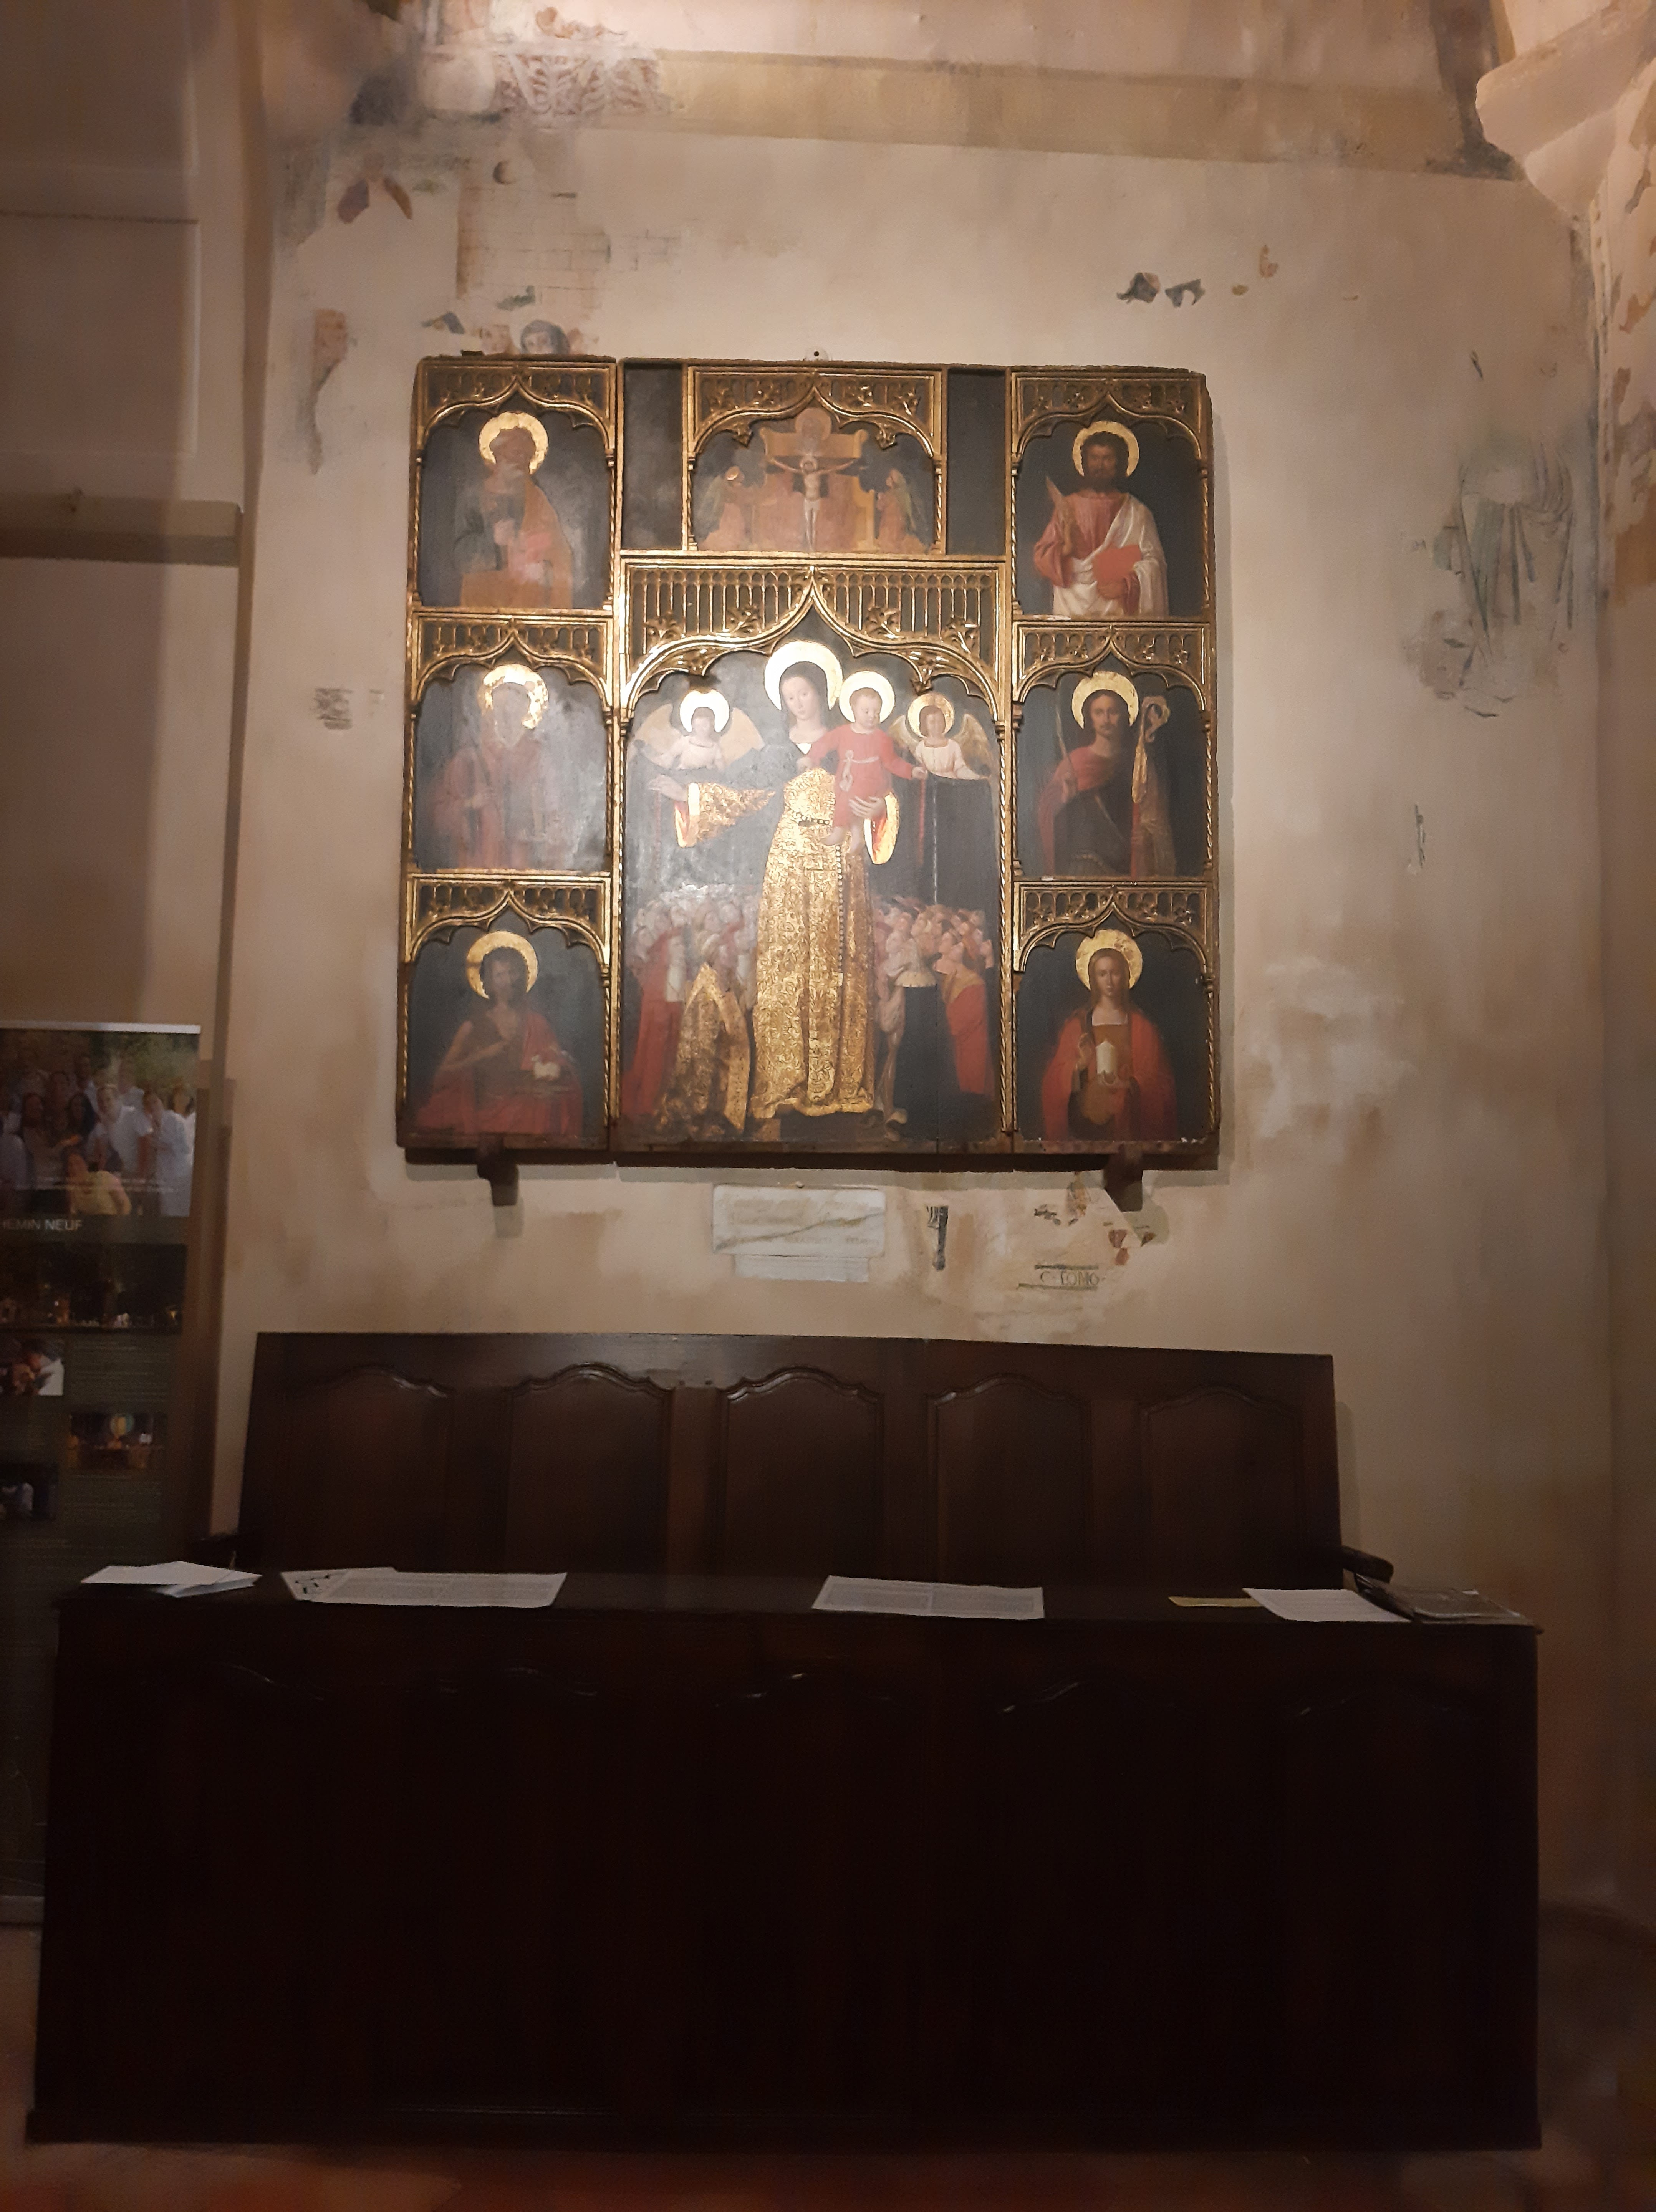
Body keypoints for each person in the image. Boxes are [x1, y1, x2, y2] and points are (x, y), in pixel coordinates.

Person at [649, 641, 881, 1132]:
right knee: (788, 963)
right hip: (790, 861)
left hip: (842, 860)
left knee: (839, 962)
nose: (799, 703)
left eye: (806, 693)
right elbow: (741, 796)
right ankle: (785, 1083)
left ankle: (838, 1086)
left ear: (823, 693)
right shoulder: (775, 752)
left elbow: (881, 792)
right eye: (790, 697)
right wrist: (687, 794)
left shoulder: (851, 741)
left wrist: (878, 809)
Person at [413, 934, 583, 1141]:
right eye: (500, 975)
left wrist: (553, 1066)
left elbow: (559, 1061)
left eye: (513, 973)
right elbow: (441, 1078)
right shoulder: (472, 1027)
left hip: (529, 1109)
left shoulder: (537, 1023)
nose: (508, 982)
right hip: (486, 1111)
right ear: (487, 982)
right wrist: (482, 1056)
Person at [1040, 929, 1177, 1144]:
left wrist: (1129, 1085)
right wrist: (1079, 1066)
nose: (1110, 981)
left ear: (1125, 976)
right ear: (1093, 979)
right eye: (1102, 974)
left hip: (1130, 1123)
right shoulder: (1077, 1025)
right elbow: (1052, 1083)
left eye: (1115, 973)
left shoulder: (1142, 1027)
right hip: (1088, 1126)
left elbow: (1160, 1082)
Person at [1035, 673, 1174, 878]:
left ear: (1124, 716)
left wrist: (1147, 838)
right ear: (1090, 718)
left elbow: (1156, 820)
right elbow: (1048, 813)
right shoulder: (1075, 763)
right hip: (1084, 870)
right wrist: (1064, 800)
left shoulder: (1139, 764)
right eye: (1099, 713)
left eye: (1113, 712)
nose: (1106, 720)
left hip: (1127, 872)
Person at [427, 663, 563, 870]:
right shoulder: (470, 758)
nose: (508, 714)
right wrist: (470, 804)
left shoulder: (540, 758)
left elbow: (557, 816)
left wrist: (540, 829)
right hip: (481, 861)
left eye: (514, 706)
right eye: (502, 707)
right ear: (492, 710)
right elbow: (439, 814)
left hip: (524, 861)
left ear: (526, 710)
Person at [1032, 421, 1167, 619]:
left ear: (1120, 463)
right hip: (1073, 606)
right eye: (1094, 458)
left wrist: (1128, 584)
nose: (1100, 466)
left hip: (1119, 609)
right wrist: (1066, 549)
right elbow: (1042, 558)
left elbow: (1155, 563)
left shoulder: (1137, 512)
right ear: (1085, 462)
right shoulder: (1067, 507)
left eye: (1108, 459)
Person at [456, 411, 575, 610]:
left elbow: (560, 550)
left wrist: (540, 563)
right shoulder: (475, 497)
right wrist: (492, 540)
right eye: (515, 454)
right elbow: (460, 557)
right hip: (484, 601)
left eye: (527, 456)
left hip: (529, 602)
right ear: (498, 456)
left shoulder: (536, 498)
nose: (521, 462)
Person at [804, 671, 920, 853]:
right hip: (848, 778)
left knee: (848, 800)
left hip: (871, 780)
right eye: (866, 711)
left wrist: (911, 771)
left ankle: (839, 831)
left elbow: (892, 762)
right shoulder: (843, 732)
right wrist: (811, 757)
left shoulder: (882, 738)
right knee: (847, 799)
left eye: (876, 712)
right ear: (853, 710)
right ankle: (857, 837)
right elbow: (825, 743)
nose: (872, 716)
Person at [656, 936, 752, 1137]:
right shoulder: (707, 993)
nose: (732, 954)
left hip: (729, 1066)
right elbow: (704, 1047)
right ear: (715, 956)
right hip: (713, 1073)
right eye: (727, 950)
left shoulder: (727, 984)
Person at [153, 1084, 196, 1217]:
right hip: (168, 1172)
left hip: (187, 1172)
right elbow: (161, 1141)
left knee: (184, 1208)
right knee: (168, 1209)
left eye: (186, 1096)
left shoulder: (195, 1119)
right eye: (179, 1095)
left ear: (190, 1099)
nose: (182, 1099)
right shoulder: (168, 1117)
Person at [63, 1145, 131, 1217]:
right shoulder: (72, 1188)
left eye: (78, 1163)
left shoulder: (104, 1177)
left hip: (112, 1222)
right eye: (70, 1165)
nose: (74, 1168)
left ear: (86, 1165)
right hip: (90, 1224)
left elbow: (125, 1205)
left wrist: (120, 1223)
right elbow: (73, 1215)